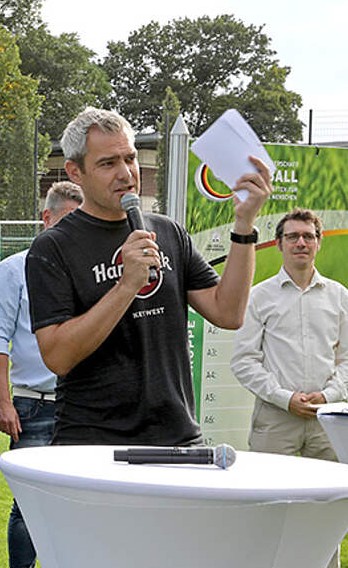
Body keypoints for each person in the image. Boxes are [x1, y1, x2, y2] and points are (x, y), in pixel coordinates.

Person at [26, 107, 272, 446]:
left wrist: (244, 226)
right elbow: (58, 358)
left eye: (130, 158)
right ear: (75, 172)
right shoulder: (53, 247)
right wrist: (126, 285)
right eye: (107, 163)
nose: (126, 173)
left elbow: (228, 313)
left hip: (177, 437)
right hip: (93, 443)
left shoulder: (167, 231)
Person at [230, 208, 348, 568]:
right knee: (267, 505)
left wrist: (329, 396)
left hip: (328, 420)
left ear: (319, 242)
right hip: (276, 419)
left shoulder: (338, 296)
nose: (301, 243)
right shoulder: (260, 296)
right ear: (280, 244)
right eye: (293, 236)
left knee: (326, 509)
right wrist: (285, 398)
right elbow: (244, 361)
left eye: (308, 236)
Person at [0, 180, 81, 568]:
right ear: (46, 219)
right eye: (67, 222)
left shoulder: (89, 268)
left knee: (82, 504)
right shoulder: (14, 269)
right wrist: (3, 401)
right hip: (33, 403)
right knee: (28, 505)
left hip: (82, 404)